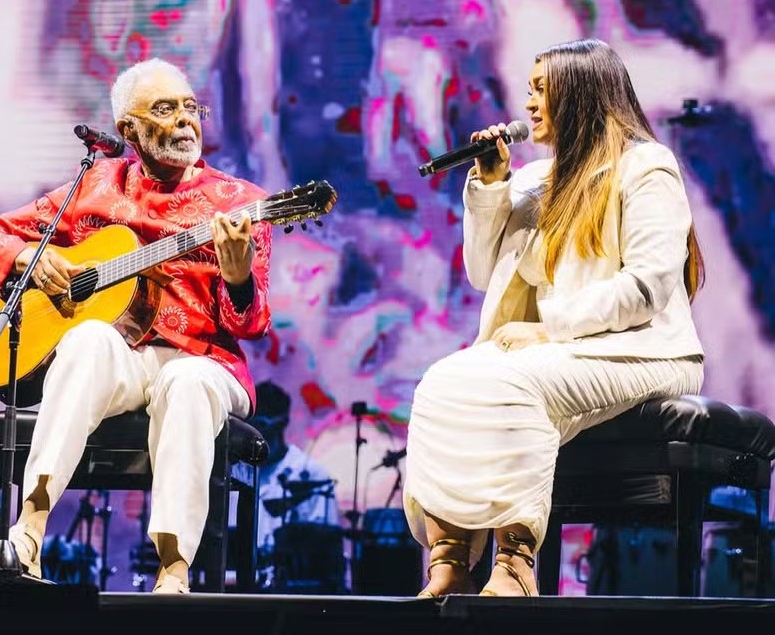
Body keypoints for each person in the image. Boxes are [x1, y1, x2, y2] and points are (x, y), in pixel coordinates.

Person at [403, 38, 705, 598]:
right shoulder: (535, 180)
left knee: (514, 386)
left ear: (582, 92)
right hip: (552, 349)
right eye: (530, 90)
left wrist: (551, 328)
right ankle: (448, 557)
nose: (531, 104)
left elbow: (647, 285)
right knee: (442, 380)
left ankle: (514, 561)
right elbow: (479, 271)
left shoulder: (647, 167)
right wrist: (491, 187)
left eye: (543, 89)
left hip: (642, 350)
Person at [0, 57, 273, 594]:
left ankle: (173, 570)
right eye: (165, 109)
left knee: (187, 381)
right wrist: (27, 257)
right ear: (128, 130)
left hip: (204, 360)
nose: (184, 121)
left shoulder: (239, 203)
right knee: (85, 338)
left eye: (191, 108)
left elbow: (250, 322)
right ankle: (29, 530)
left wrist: (238, 275)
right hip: (122, 361)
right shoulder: (96, 186)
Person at [238, 380, 339, 589]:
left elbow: (322, 549)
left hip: (294, 588)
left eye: (263, 426)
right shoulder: (238, 473)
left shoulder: (309, 474)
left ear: (282, 423)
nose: (258, 436)